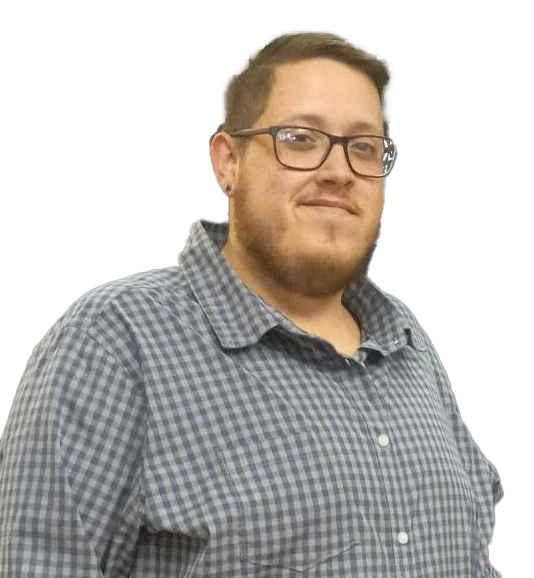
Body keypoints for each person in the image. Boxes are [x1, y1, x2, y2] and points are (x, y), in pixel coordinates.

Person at [0, 31, 503, 577]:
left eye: (364, 147)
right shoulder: (114, 344)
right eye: (300, 138)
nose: (339, 171)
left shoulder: (407, 344)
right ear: (228, 161)